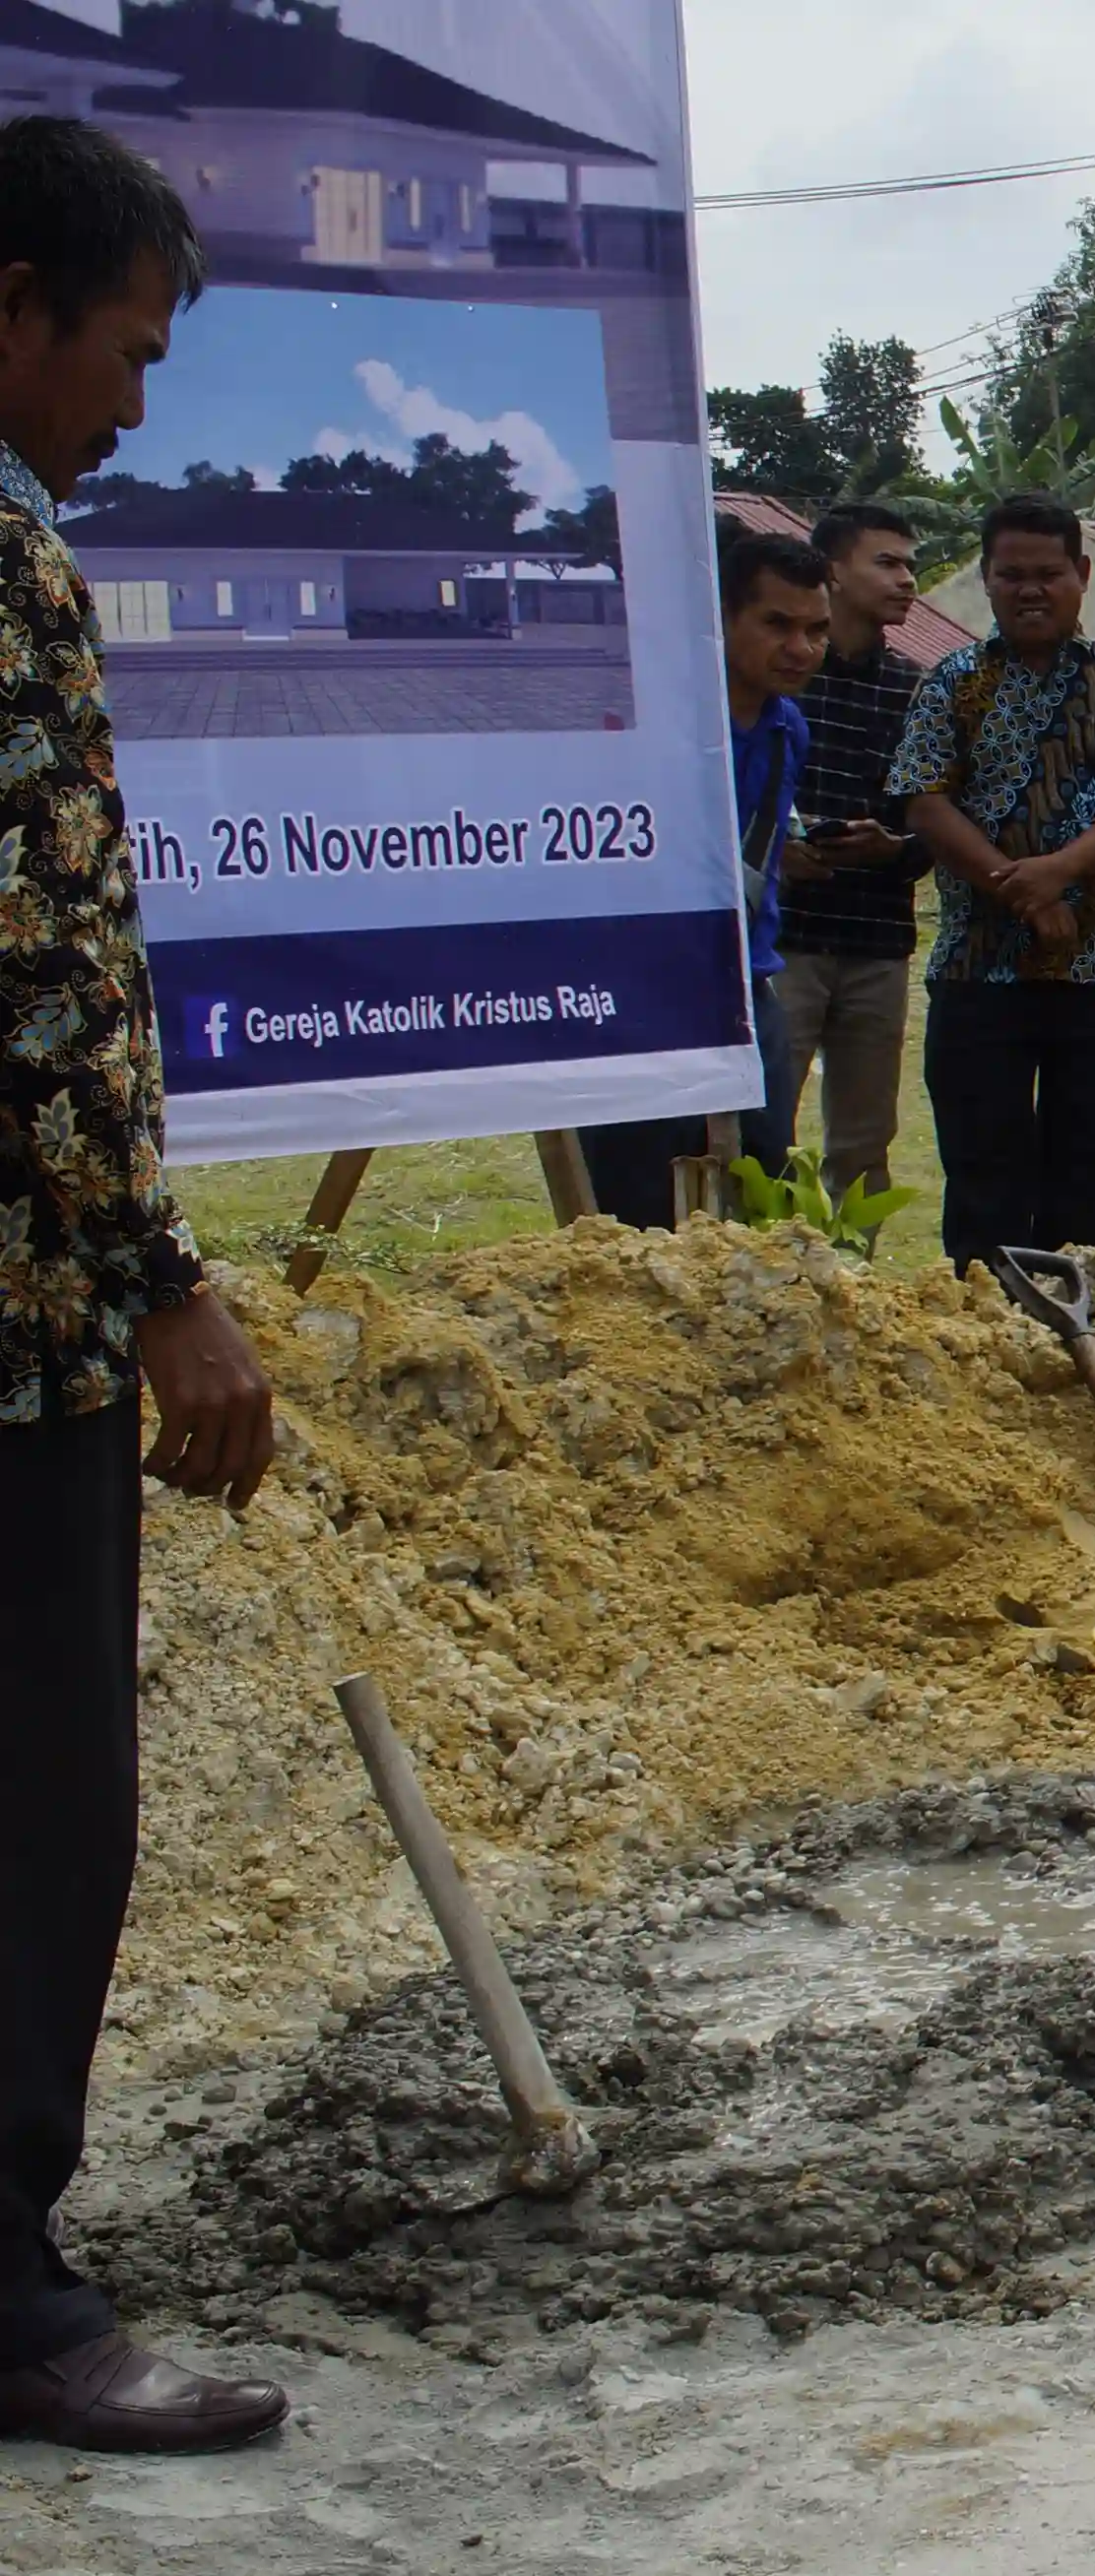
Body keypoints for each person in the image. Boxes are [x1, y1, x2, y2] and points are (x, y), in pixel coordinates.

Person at [0, 110, 287, 2456]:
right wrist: (163, 1274)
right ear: (16, 309)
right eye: (126, 350)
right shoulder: (6, 563)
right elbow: (43, 973)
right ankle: (9, 2296)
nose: (132, 404)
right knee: (37, 1803)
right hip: (18, 1328)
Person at [886, 492, 1095, 1273]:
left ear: (1082, 575)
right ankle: (987, 1335)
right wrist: (1016, 888)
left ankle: (1081, 1338)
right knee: (982, 1186)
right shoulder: (951, 681)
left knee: (1088, 1192)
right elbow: (923, 799)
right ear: (986, 577)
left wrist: (1058, 873)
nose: (1030, 590)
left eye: (1048, 574)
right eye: (1011, 574)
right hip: (979, 969)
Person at [576, 530, 825, 1223]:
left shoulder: (789, 729)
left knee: (766, 1192)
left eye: (816, 630)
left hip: (747, 985)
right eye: (777, 624)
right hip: (644, 993)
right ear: (723, 617)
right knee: (637, 1206)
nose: (801, 648)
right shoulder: (654, 721)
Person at [775, 500, 930, 1204]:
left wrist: (892, 849)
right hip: (783, 939)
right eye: (887, 563)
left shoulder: (915, 690)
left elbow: (934, 824)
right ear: (833, 571)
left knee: (865, 1141)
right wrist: (776, 850)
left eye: (911, 565)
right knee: (762, 1128)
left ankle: (851, 1264)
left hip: (876, 941)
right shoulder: (780, 677)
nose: (907, 581)